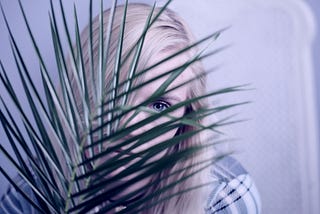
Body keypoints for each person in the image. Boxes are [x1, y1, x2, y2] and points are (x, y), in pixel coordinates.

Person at [0, 3, 261, 213]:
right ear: (78, 96)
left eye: (160, 105)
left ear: (187, 116)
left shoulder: (222, 195)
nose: (131, 127)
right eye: (114, 97)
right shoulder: (35, 191)